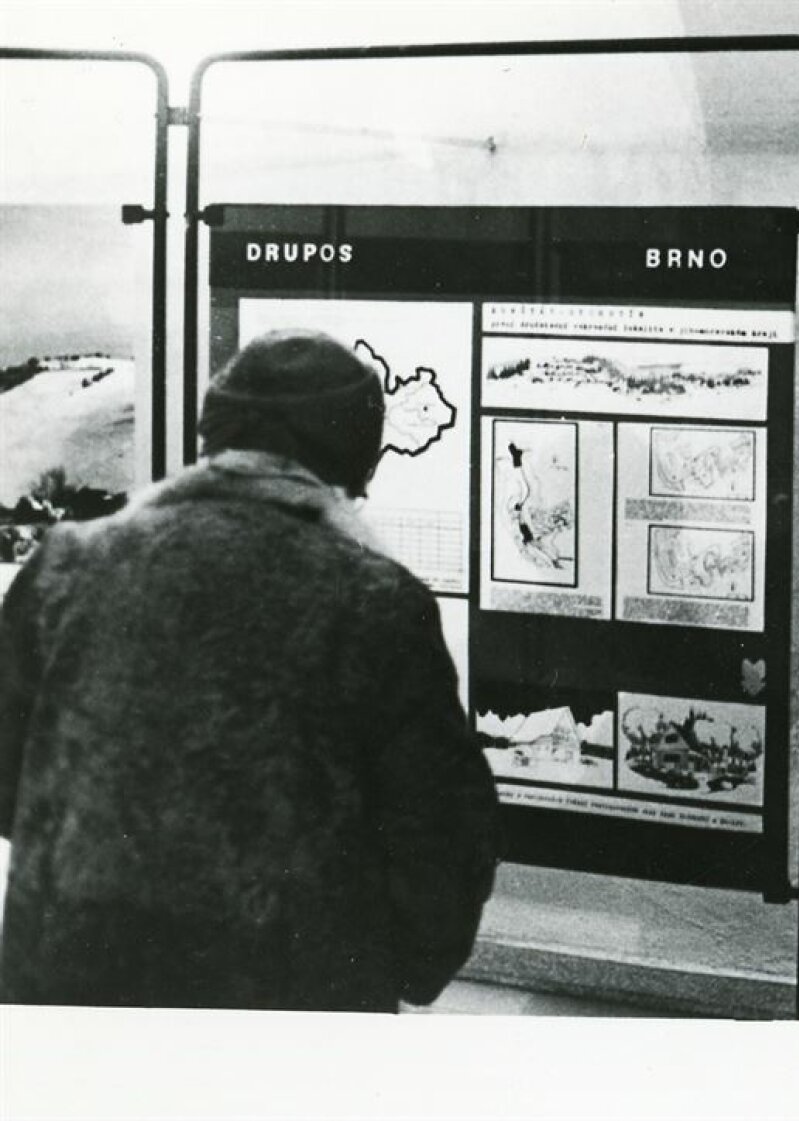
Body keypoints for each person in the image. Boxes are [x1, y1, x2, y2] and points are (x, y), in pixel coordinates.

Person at [0, 329, 499, 1012]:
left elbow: (6, 778)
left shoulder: (67, 563)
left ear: (214, 436)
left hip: (68, 995)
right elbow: (439, 839)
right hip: (283, 1008)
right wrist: (399, 967)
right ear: (354, 461)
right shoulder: (376, 601)